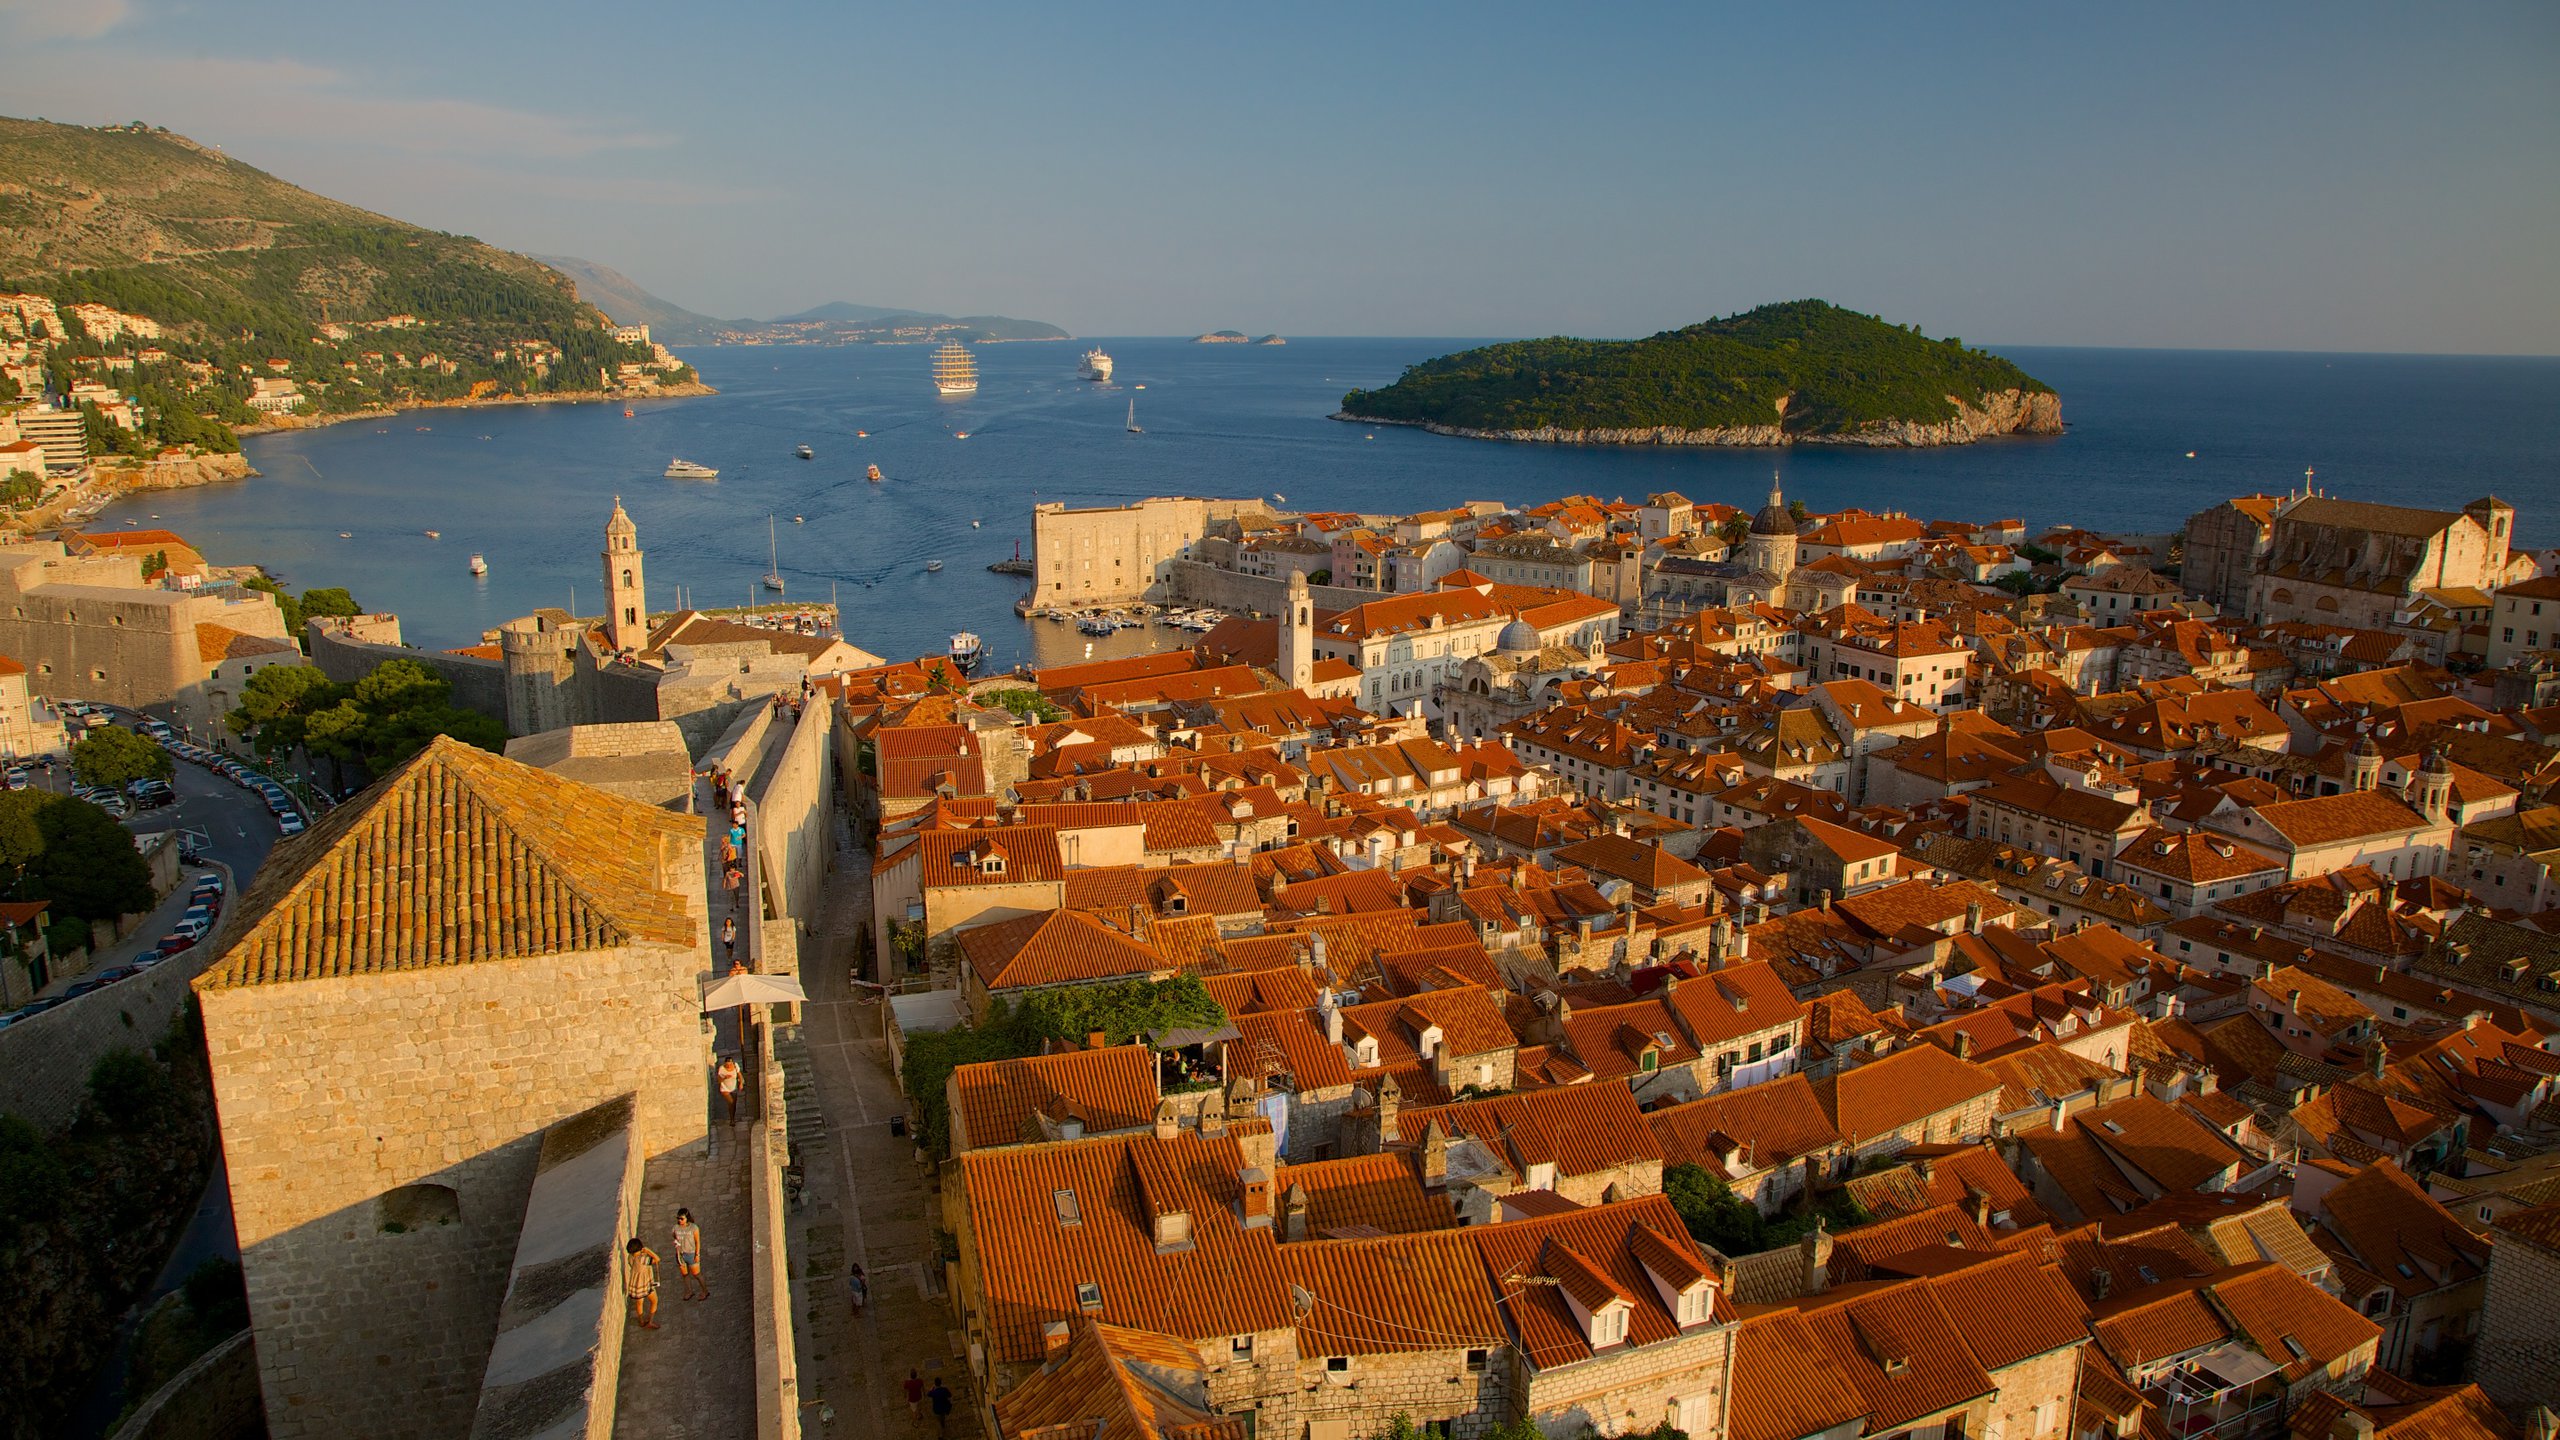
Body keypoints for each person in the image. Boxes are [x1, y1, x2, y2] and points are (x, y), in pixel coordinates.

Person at [624, 1236, 662, 1329]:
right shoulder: (643, 1258)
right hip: (645, 1283)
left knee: (639, 1303)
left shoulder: (630, 1257)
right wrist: (648, 1251)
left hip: (636, 1285)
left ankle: (641, 1321)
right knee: (654, 1301)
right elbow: (657, 1259)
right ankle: (651, 1321)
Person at [672, 1207, 707, 1301]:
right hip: (680, 1254)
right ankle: (689, 1291)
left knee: (697, 1274)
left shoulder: (693, 1228)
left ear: (687, 1218)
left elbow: (697, 1242)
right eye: (678, 1218)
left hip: (691, 1254)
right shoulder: (675, 1228)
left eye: (682, 1219)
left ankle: (705, 1291)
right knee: (685, 1274)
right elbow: (674, 1237)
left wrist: (697, 1254)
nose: (680, 1221)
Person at [716, 1054, 743, 1124]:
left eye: (730, 1064)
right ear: (725, 1063)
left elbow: (739, 1075)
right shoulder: (721, 1069)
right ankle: (732, 1120)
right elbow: (719, 1080)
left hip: (734, 1088)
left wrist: (741, 1083)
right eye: (727, 1065)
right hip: (725, 1088)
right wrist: (725, 1077)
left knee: (734, 1103)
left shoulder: (735, 1066)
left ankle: (733, 1117)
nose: (729, 1066)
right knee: (731, 1102)